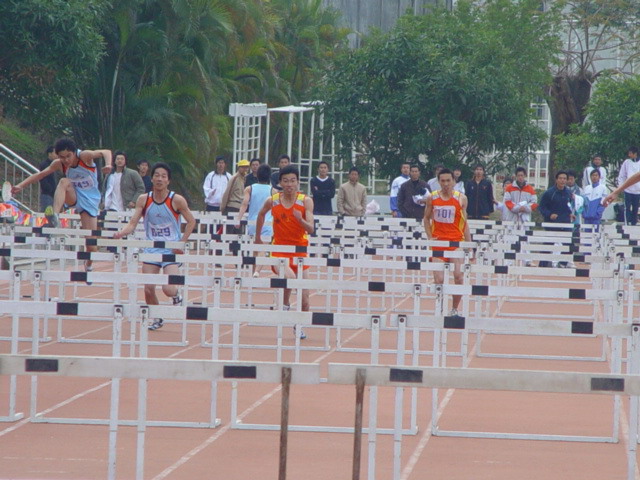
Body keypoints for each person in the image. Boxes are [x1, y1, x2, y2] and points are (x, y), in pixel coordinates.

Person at [113, 162, 196, 330]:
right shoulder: (144, 199)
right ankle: (157, 317)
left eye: (163, 176)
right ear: (151, 179)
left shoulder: (176, 200)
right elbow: (133, 223)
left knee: (168, 289)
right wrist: (121, 233)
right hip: (151, 249)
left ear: (168, 181)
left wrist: (181, 242)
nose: (159, 179)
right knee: (148, 288)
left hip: (170, 250)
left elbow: (191, 221)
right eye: (156, 175)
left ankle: (176, 295)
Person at [12, 138, 112, 274]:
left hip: (90, 201)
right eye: (62, 157)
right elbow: (41, 174)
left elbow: (106, 151)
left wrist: (108, 164)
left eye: (68, 156)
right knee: (64, 181)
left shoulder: (84, 156)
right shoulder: (58, 163)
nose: (65, 160)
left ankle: (88, 264)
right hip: (74, 195)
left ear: (74, 152)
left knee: (91, 246)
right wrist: (20, 185)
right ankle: (55, 215)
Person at [255, 165, 314, 339]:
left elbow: (311, 229)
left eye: (293, 181)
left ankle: (298, 325)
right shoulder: (273, 200)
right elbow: (261, 214)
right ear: (280, 183)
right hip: (279, 251)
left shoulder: (305, 201)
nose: (289, 184)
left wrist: (300, 220)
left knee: (305, 300)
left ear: (298, 182)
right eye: (286, 181)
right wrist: (258, 238)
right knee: (290, 277)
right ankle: (285, 304)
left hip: (300, 252)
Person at [423, 168, 471, 316]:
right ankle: (440, 308)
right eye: (442, 181)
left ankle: (454, 309)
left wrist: (469, 245)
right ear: (438, 182)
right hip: (439, 242)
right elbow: (426, 218)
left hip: (456, 242)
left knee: (459, 276)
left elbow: (465, 222)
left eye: (448, 181)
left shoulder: (461, 198)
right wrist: (430, 237)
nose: (445, 184)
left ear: (453, 181)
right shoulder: (432, 198)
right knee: (439, 279)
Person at [236, 164, 275, 276]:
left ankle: (253, 272)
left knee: (255, 249)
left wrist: (239, 218)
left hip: (253, 222)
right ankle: (257, 271)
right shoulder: (273, 191)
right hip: (267, 223)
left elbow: (244, 204)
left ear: (257, 175)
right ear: (269, 176)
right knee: (263, 248)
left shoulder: (249, 188)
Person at [538, 171, 574, 268]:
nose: (562, 180)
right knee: (548, 245)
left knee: (571, 245)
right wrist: (549, 214)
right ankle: (542, 266)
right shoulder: (549, 193)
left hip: (565, 222)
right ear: (556, 180)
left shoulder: (568, 193)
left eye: (564, 179)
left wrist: (571, 214)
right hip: (552, 223)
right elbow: (541, 207)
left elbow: (568, 206)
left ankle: (562, 263)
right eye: (560, 178)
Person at [617, 147, 640, 225]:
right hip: (628, 190)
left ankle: (634, 224)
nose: (629, 155)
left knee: (635, 208)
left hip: (637, 191)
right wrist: (621, 187)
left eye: (630, 153)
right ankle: (627, 224)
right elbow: (622, 175)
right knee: (627, 208)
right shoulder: (627, 162)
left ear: (635, 153)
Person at [38, 146, 58, 211]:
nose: (57, 155)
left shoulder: (55, 164)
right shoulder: (44, 165)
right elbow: (42, 178)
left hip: (53, 194)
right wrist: (49, 189)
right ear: (50, 154)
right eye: (55, 153)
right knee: (46, 212)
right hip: (47, 194)